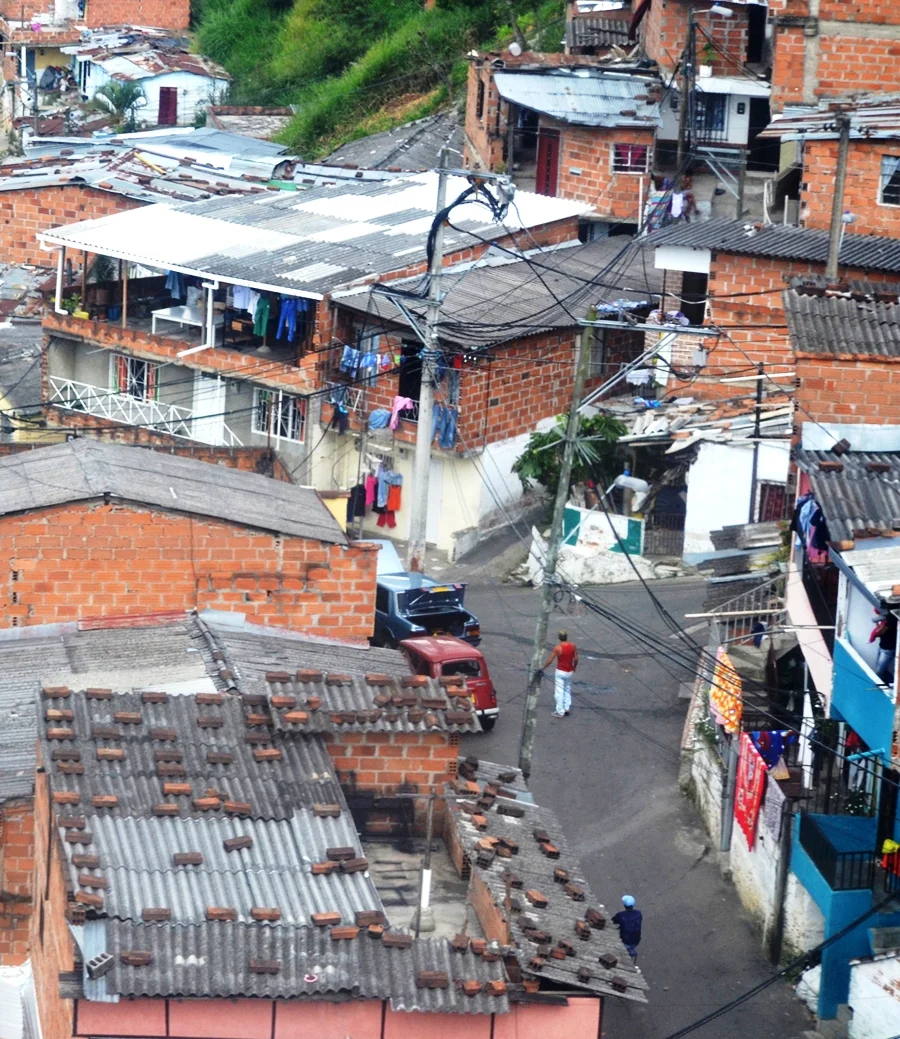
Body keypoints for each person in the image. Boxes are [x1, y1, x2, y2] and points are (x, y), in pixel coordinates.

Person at [543, 629, 578, 718]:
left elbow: (550, 660)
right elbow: (576, 658)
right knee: (567, 689)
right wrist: (574, 667)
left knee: (559, 691)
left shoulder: (557, 648)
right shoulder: (573, 646)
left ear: (559, 638)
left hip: (560, 671)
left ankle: (560, 711)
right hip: (569, 671)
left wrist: (543, 668)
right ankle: (566, 708)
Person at [870, 608, 898, 687]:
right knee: (881, 669)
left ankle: (882, 686)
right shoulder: (888, 619)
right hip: (883, 647)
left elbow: (880, 633)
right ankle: (884, 684)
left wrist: (879, 624)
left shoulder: (891, 621)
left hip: (888, 650)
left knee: (879, 671)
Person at [612, 895, 643, 962]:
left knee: (623, 952)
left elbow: (613, 920)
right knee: (630, 947)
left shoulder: (621, 915)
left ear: (624, 905)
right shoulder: (638, 913)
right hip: (636, 939)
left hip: (625, 939)